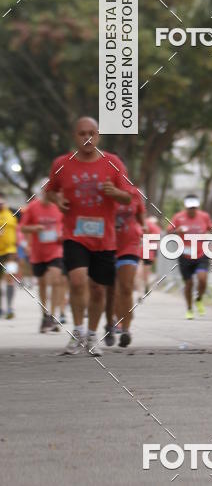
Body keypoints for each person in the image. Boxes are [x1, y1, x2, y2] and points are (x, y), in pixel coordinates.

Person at [45, 116, 133, 355]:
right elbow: (49, 192)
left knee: (97, 289)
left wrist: (114, 192)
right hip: (74, 233)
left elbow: (128, 197)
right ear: (75, 136)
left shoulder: (113, 163)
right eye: (82, 133)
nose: (87, 138)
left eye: (92, 133)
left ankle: (92, 336)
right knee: (77, 280)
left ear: (98, 136)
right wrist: (57, 199)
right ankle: (78, 331)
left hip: (104, 238)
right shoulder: (61, 163)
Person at [104, 184, 145, 347]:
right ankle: (110, 323)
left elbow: (141, 217)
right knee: (111, 290)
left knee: (126, 287)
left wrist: (144, 228)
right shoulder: (101, 192)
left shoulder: (134, 193)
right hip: (107, 244)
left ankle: (126, 329)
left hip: (130, 243)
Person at [20, 189, 64, 333]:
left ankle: (53, 315)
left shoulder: (59, 207)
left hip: (55, 250)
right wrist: (35, 228)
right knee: (43, 284)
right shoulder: (33, 207)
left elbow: (65, 226)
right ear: (46, 192)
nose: (56, 196)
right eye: (53, 193)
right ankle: (45, 315)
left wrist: (62, 235)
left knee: (56, 280)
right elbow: (23, 228)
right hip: (38, 252)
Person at [169, 194, 212, 319]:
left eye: (194, 207)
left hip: (201, 254)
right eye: (189, 208)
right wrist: (177, 231)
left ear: (197, 207)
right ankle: (189, 308)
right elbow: (168, 231)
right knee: (189, 283)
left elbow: (211, 229)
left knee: (202, 279)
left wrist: (209, 235)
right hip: (185, 255)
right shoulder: (178, 217)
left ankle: (199, 299)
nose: (192, 210)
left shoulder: (204, 216)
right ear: (185, 207)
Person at [0, 192, 17, 319]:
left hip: (10, 252)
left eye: (2, 202)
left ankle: (10, 307)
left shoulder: (11, 214)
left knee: (10, 278)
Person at [137, 215, 161, 299]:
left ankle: (146, 285)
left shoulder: (156, 231)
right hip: (139, 253)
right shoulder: (142, 226)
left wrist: (154, 257)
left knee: (145, 274)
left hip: (148, 253)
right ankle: (139, 294)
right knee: (139, 273)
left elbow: (155, 248)